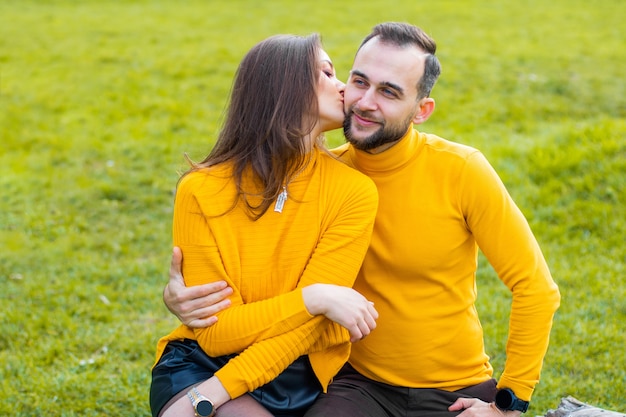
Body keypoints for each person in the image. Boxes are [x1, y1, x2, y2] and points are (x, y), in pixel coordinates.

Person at [164, 22, 561, 417]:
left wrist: (509, 402)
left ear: (421, 110)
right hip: (357, 384)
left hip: (455, 386)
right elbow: (266, 272)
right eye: (358, 81)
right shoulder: (318, 176)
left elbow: (535, 287)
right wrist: (182, 299)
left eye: (388, 92)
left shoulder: (461, 170)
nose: (364, 101)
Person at [150, 33, 380, 417]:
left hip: (298, 367)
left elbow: (310, 328)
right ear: (285, 87)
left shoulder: (354, 190)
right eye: (326, 73)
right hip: (201, 362)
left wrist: (209, 396)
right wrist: (313, 298)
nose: (344, 88)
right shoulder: (200, 190)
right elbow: (218, 333)